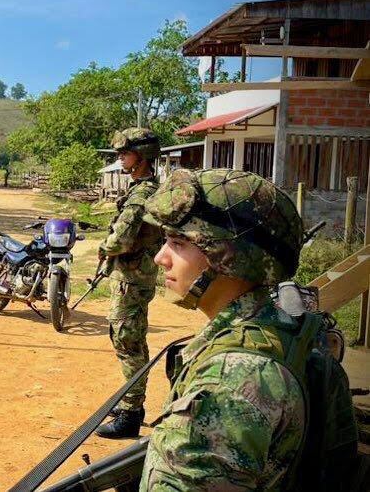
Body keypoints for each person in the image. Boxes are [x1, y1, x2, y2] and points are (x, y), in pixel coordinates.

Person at [139, 168, 357, 491]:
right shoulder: (278, 322)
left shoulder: (229, 384)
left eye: (178, 243)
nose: (161, 258)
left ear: (227, 256)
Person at [95, 127, 163, 439]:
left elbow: (121, 239)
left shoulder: (142, 194)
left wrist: (104, 246)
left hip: (132, 279)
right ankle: (129, 402)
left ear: (142, 156)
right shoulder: (143, 189)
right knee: (128, 338)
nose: (121, 158)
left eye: (126, 153)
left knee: (128, 341)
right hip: (133, 276)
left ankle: (131, 414)